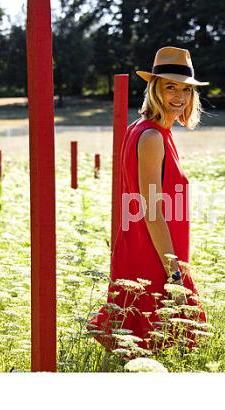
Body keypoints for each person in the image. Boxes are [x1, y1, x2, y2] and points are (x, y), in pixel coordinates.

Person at [87, 46, 209, 358]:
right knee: (173, 343)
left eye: (185, 89)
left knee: (145, 352)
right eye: (170, 87)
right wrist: (175, 273)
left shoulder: (150, 131)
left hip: (149, 251)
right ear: (154, 89)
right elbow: (152, 210)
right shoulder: (152, 137)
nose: (179, 96)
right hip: (152, 259)